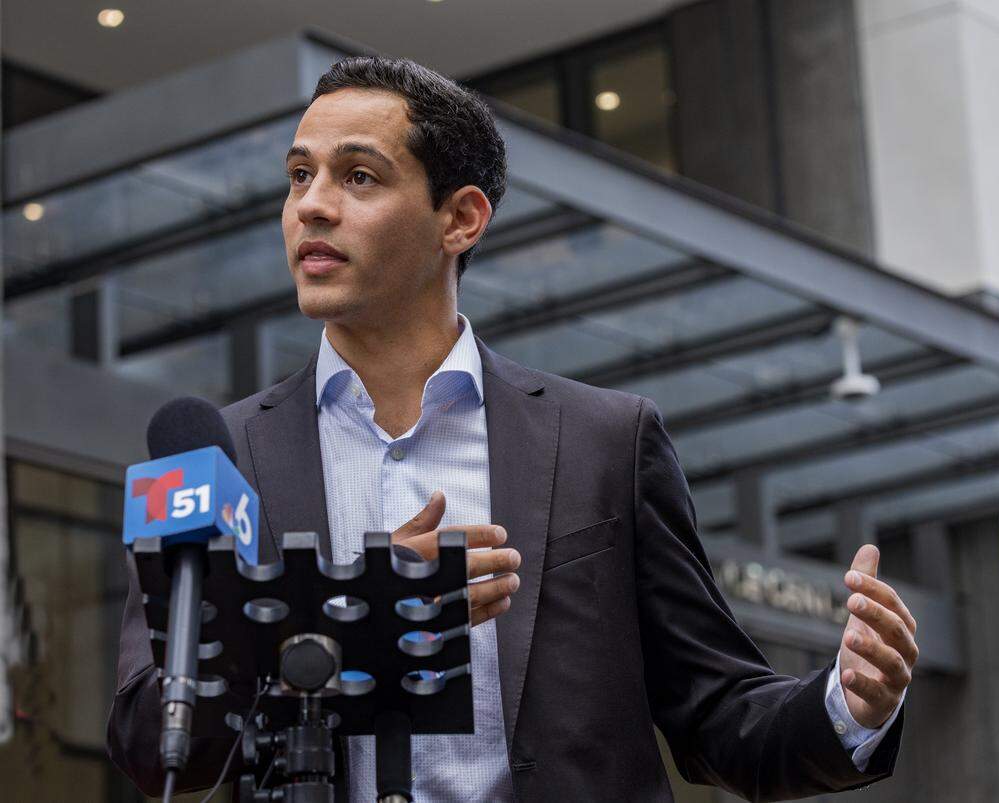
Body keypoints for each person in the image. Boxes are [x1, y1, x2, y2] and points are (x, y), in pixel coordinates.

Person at [107, 55, 919, 802]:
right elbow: (152, 742)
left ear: (460, 218)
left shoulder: (607, 440)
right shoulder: (216, 455)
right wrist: (363, 614)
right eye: (298, 175)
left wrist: (848, 703)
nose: (311, 205)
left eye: (358, 176)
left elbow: (715, 712)